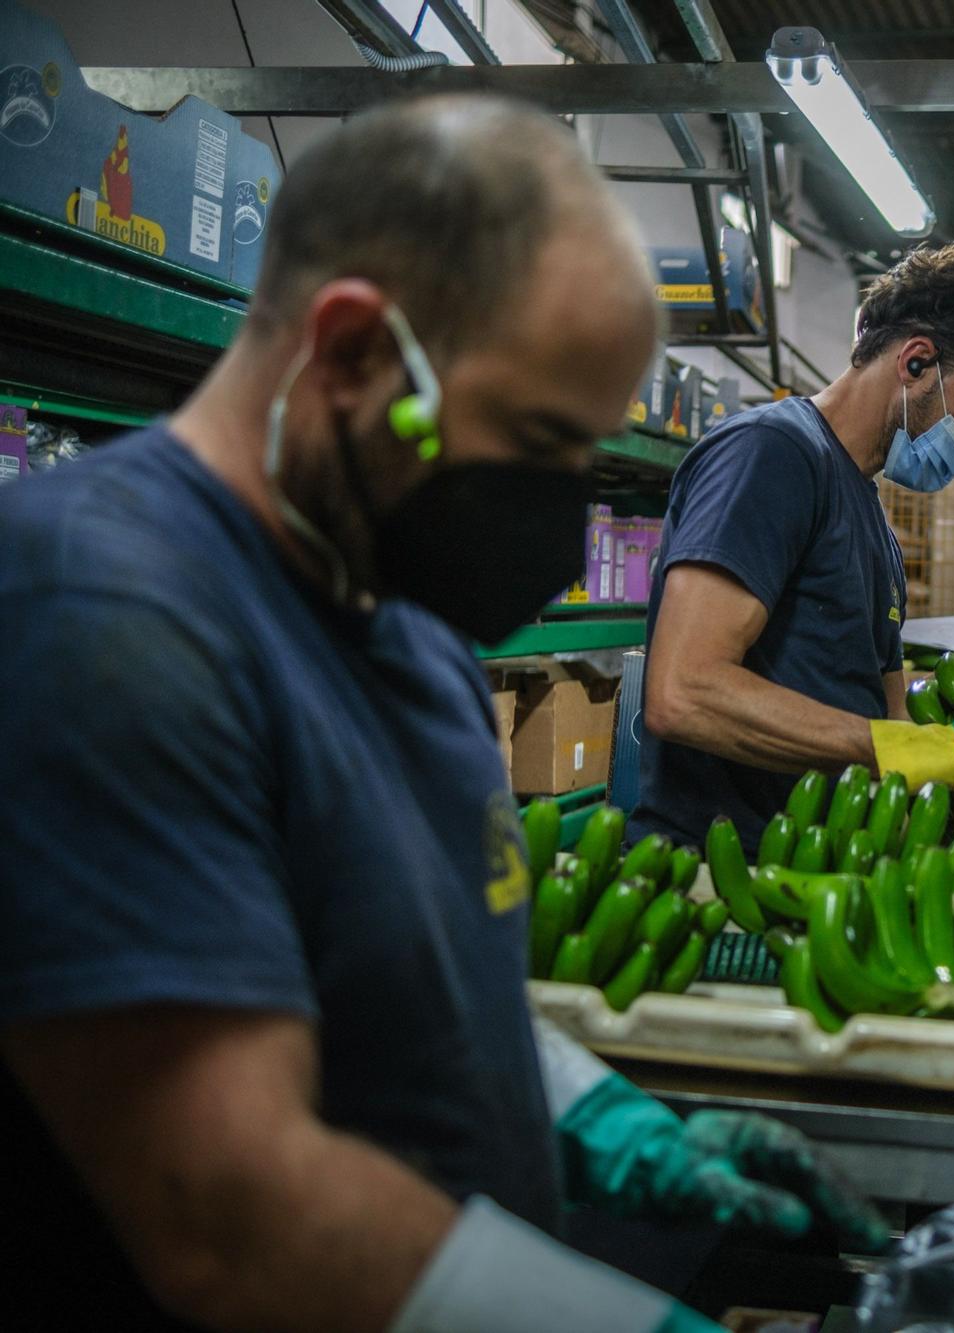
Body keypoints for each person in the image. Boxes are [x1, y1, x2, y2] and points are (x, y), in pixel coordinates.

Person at [0, 95, 883, 1333]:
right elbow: (227, 1209)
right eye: (534, 438)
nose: (561, 510)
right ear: (356, 351)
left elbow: (407, 980)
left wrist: (589, 1112)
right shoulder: (99, 616)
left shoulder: (406, 631)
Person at [635, 244, 954, 850]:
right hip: (723, 874)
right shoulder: (772, 455)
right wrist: (936, 750)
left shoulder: (872, 521)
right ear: (917, 362)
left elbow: (880, 718)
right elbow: (684, 692)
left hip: (825, 872)